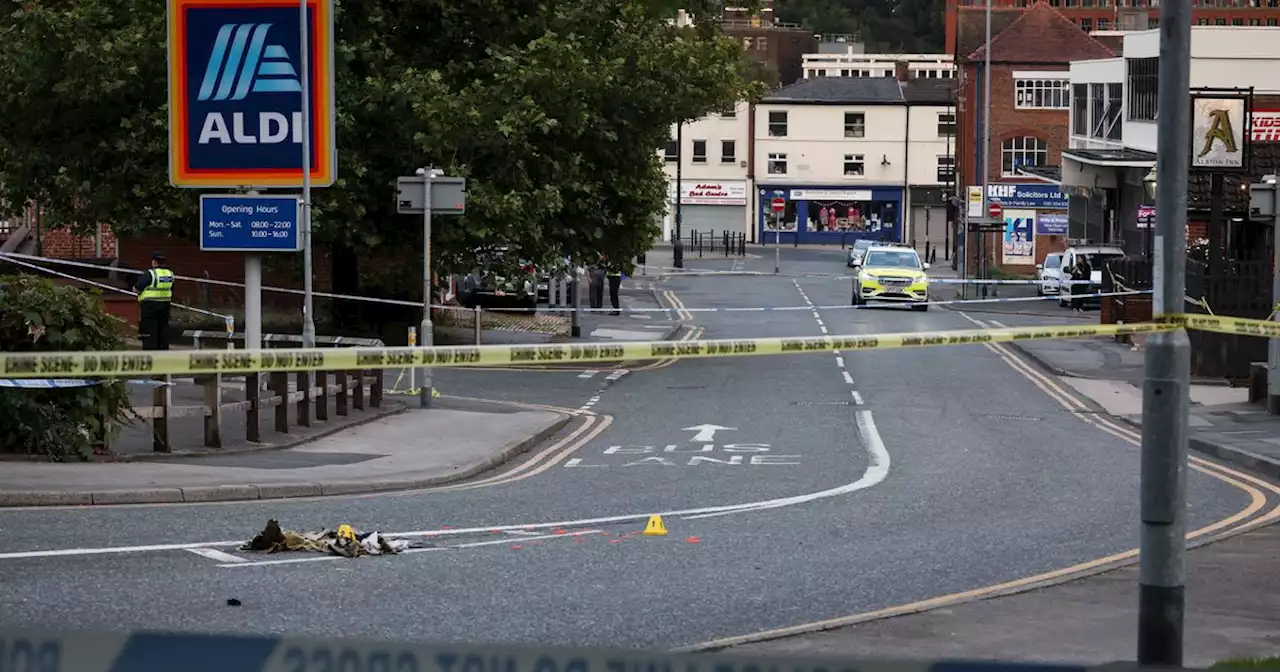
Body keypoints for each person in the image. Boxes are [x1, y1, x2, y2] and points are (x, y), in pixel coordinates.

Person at [135, 252, 175, 350]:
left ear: (154, 262)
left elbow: (138, 287)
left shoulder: (150, 273)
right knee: (163, 328)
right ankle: (163, 350)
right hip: (165, 305)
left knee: (149, 329)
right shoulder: (170, 274)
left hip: (149, 306)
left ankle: (150, 351)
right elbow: (171, 288)